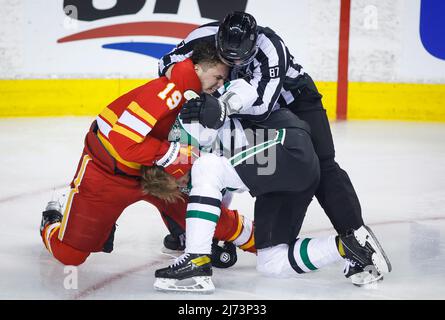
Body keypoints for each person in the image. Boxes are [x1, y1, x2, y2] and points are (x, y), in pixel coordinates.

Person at [158, 11, 377, 281]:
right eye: (227, 57)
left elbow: (262, 106)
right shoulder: (203, 37)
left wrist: (217, 107)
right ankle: (209, 232)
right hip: (235, 105)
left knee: (323, 167)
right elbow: (167, 63)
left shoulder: (271, 48)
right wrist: (191, 90)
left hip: (292, 104)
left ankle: (356, 236)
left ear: (254, 42)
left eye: (241, 58)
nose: (234, 62)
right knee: (217, 158)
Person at [39, 42, 255, 267]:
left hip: (154, 172)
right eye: (218, 77)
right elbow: (123, 141)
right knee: (70, 255)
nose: (219, 85)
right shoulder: (168, 92)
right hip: (108, 173)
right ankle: (52, 219)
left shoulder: (194, 94)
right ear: (198, 68)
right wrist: (177, 156)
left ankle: (267, 244)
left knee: (206, 211)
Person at [153, 92, 392, 293]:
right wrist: (212, 238)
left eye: (178, 183)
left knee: (206, 167)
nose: (184, 188)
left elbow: (240, 98)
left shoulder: (185, 129)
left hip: (285, 144)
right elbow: (215, 198)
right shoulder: (202, 170)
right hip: (286, 177)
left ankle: (197, 261)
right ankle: (349, 246)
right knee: (271, 262)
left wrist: (202, 243)